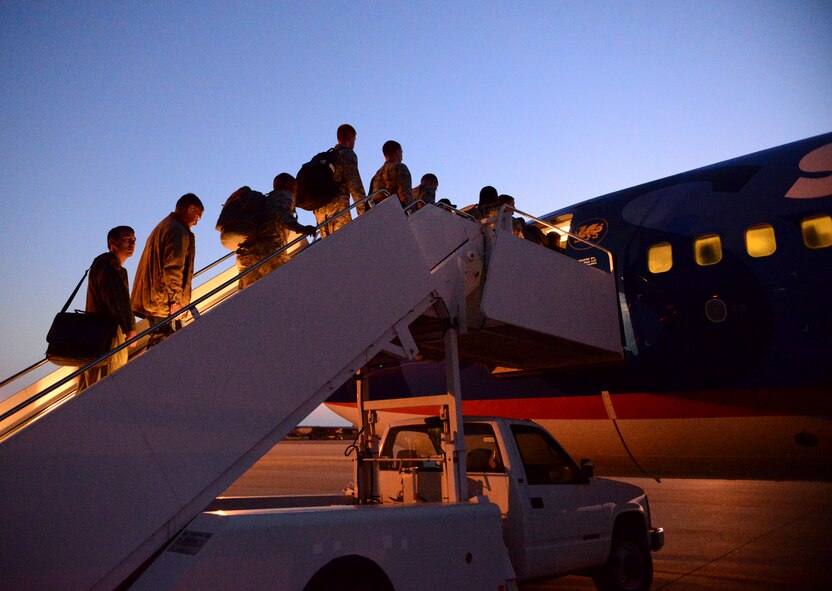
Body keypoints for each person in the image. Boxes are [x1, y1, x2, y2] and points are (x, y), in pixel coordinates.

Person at [131, 193, 204, 346]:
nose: (196, 223)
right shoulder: (177, 230)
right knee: (164, 344)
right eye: (197, 217)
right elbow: (173, 268)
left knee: (162, 339)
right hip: (162, 300)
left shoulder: (163, 226)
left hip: (153, 298)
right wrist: (175, 300)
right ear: (190, 209)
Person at [76, 226, 138, 392]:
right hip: (107, 338)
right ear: (113, 243)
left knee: (89, 387)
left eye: (134, 240)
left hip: (92, 338)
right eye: (127, 239)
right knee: (108, 385)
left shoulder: (101, 265)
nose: (132, 243)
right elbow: (116, 297)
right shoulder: (110, 266)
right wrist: (130, 327)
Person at [237, 173, 316, 289]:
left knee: (249, 298)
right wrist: (301, 228)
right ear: (288, 184)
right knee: (283, 289)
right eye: (295, 188)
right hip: (269, 253)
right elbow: (279, 212)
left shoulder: (267, 200)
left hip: (247, 255)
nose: (296, 192)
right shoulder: (284, 194)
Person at [314, 124, 366, 237]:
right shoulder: (347, 154)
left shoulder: (328, 157)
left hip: (321, 215)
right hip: (338, 212)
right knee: (346, 245)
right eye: (354, 139)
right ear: (350, 138)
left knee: (331, 251)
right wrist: (364, 212)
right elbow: (355, 184)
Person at [369, 140, 414, 209]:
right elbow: (405, 194)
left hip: (378, 212)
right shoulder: (400, 168)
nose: (402, 157)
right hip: (394, 210)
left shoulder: (377, 175)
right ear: (397, 153)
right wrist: (412, 211)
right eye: (401, 153)